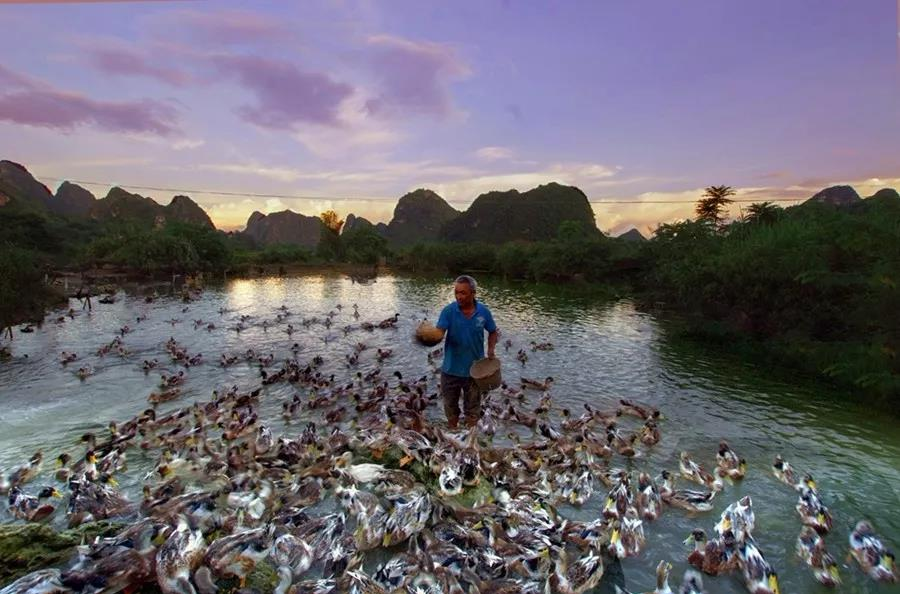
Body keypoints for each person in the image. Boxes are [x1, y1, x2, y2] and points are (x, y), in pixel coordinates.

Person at [433, 275, 498, 429]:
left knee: (473, 410)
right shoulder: (448, 311)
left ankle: (470, 439)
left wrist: (490, 350)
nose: (459, 296)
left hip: (475, 371)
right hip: (450, 370)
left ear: (473, 293)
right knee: (450, 408)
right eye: (456, 292)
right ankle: (453, 435)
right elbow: (439, 332)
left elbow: (493, 331)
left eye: (463, 293)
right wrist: (431, 336)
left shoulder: (483, 312)